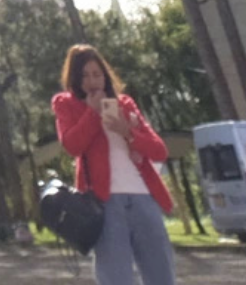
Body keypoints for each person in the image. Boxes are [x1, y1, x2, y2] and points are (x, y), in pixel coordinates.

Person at [51, 43, 175, 285]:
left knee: (162, 274)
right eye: (84, 75)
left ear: (105, 75)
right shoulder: (66, 104)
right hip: (104, 202)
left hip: (143, 197)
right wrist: (92, 112)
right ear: (75, 79)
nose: (92, 81)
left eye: (97, 74)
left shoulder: (125, 103)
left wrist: (127, 132)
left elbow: (159, 150)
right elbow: (72, 146)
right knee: (116, 277)